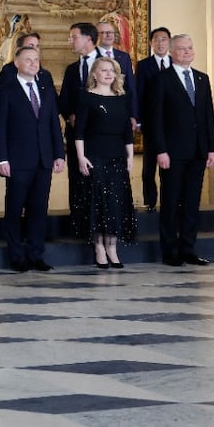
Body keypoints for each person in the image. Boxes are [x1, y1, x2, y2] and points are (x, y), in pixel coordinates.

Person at [147, 35, 214, 267]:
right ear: (172, 52)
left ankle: (188, 249)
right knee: (171, 202)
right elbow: (155, 119)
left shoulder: (202, 78)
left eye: (189, 48)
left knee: (191, 203)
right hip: (172, 153)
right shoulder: (162, 79)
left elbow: (208, 117)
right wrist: (160, 150)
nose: (186, 52)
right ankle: (170, 252)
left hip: (198, 151)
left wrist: (211, 149)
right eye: (181, 49)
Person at [0, 45, 65, 272]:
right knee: (15, 210)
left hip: (44, 160)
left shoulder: (45, 88)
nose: (34, 64)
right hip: (17, 161)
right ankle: (16, 257)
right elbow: (0, 128)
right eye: (28, 60)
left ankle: (36, 254)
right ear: (17, 63)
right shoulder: (7, 90)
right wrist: (1, 159)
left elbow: (53, 123)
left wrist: (59, 154)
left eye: (36, 60)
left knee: (38, 210)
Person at [72, 57, 137, 269]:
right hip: (95, 155)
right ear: (94, 74)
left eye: (112, 70)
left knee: (116, 203)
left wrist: (130, 156)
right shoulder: (86, 97)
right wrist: (81, 157)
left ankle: (112, 247)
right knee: (99, 202)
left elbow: (127, 131)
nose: (108, 74)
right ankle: (99, 246)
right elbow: (79, 130)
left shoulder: (121, 98)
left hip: (117, 155)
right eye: (104, 70)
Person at [59, 22, 103, 212]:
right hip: (76, 134)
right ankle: (78, 224)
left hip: (101, 135)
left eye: (73, 36)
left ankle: (100, 227)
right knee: (77, 179)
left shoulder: (109, 65)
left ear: (88, 39)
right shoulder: (71, 69)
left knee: (100, 180)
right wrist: (70, 115)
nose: (71, 40)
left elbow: (119, 96)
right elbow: (63, 100)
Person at [134, 27, 172, 213]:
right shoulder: (143, 65)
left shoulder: (176, 63)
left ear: (169, 42)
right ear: (151, 43)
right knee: (149, 167)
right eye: (156, 39)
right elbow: (138, 94)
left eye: (164, 39)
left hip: (172, 125)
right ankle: (150, 201)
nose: (160, 43)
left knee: (170, 166)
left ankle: (169, 201)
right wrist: (139, 120)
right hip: (150, 123)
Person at [96, 19, 138, 124]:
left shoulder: (124, 57)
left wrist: (133, 115)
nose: (108, 35)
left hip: (121, 112)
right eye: (104, 33)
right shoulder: (91, 56)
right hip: (98, 112)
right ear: (96, 36)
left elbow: (130, 87)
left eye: (110, 32)